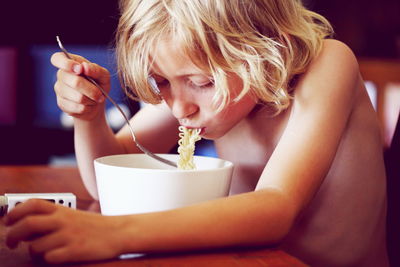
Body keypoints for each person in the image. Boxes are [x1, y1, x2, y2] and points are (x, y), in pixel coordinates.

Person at [4, 0, 388, 266]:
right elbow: (109, 177)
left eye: (202, 82)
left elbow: (276, 207)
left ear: (268, 48)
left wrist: (114, 232)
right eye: (162, 84)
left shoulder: (328, 64)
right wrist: (89, 116)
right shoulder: (191, 91)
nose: (178, 107)